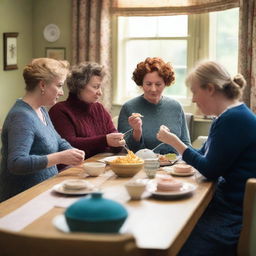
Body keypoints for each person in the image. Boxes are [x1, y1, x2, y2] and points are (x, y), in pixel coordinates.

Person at [157, 60, 256, 255]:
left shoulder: (233, 119)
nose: (193, 99)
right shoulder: (228, 117)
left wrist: (175, 142)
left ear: (210, 89)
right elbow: (202, 154)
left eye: (194, 92)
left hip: (233, 214)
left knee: (174, 241)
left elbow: (210, 169)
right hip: (229, 205)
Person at [0, 58, 85, 202]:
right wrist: (60, 157)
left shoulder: (41, 109)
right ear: (43, 85)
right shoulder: (22, 116)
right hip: (22, 199)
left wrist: (73, 152)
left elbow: (57, 140)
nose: (61, 92)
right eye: (59, 86)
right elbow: (16, 163)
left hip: (45, 190)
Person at [49, 62, 125, 158]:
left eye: (100, 87)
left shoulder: (99, 109)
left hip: (100, 165)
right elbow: (69, 145)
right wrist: (105, 140)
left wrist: (118, 142)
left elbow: (114, 142)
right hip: (74, 168)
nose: (100, 93)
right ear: (79, 86)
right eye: (95, 87)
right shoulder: (59, 110)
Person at [118, 57, 190, 154]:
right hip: (141, 166)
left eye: (158, 84)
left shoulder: (176, 107)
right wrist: (137, 131)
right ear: (141, 84)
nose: (153, 89)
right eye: (148, 84)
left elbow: (186, 144)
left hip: (174, 166)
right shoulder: (129, 107)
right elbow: (127, 150)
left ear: (165, 83)